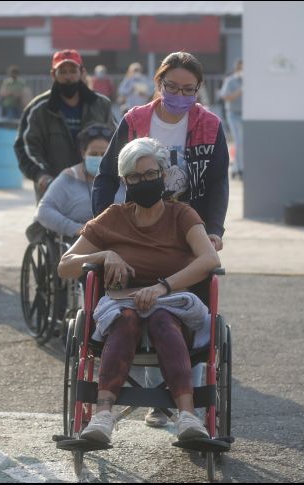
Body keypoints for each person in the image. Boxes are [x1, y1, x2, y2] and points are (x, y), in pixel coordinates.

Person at [92, 51, 230, 428]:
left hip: (186, 223)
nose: (180, 95)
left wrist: (213, 229)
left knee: (181, 313)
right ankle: (158, 399)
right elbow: (106, 175)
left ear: (198, 89)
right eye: (172, 87)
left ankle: (192, 407)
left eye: (189, 89)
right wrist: (105, 226)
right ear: (159, 84)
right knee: (136, 304)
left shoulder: (209, 125)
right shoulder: (136, 120)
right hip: (136, 220)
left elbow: (217, 182)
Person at [58, 137, 221, 444]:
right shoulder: (113, 218)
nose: (143, 181)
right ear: (124, 181)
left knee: (161, 319)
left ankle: (188, 417)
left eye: (150, 174)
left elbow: (210, 259)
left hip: (172, 302)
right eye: (134, 176)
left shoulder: (181, 215)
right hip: (123, 307)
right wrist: (102, 255)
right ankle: (103, 416)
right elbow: (65, 265)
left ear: (163, 175)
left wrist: (163, 287)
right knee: (127, 318)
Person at [15, 49, 115, 201]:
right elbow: (26, 147)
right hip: (53, 188)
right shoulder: (38, 109)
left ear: (82, 72)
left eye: (73, 71)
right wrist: (41, 175)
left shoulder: (101, 104)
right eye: (62, 71)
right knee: (48, 224)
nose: (68, 77)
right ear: (53, 74)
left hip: (96, 187)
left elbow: (117, 142)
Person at [34, 123, 125, 238]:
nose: (100, 159)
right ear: (83, 153)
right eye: (94, 154)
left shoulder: (123, 178)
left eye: (104, 154)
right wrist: (77, 229)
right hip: (80, 242)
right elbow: (43, 211)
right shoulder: (69, 178)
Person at [219, 59, 243, 178]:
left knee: (242, 142)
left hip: (245, 116)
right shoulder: (231, 81)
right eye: (241, 68)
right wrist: (240, 91)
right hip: (233, 114)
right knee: (239, 140)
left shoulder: (249, 81)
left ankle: (237, 167)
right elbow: (225, 97)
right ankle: (238, 168)